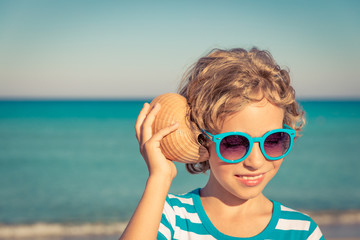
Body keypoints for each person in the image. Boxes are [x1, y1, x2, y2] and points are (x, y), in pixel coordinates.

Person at [119, 48, 324, 239]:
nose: (256, 161)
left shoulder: (301, 232)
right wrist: (159, 177)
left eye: (273, 140)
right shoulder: (168, 218)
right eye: (234, 143)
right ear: (201, 139)